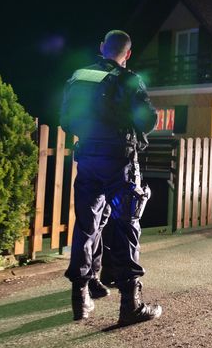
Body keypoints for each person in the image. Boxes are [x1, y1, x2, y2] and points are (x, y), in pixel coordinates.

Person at [60, 30, 162, 324]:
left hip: (88, 158)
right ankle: (131, 302)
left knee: (87, 224)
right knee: (126, 223)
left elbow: (66, 118)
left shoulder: (79, 76)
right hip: (119, 161)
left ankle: (82, 296)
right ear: (127, 54)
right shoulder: (129, 79)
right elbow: (149, 119)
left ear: (102, 47)